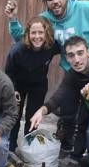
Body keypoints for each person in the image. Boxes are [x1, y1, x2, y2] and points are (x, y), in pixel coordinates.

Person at [28, 35, 89, 158]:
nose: (77, 60)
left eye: (80, 53)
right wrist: (41, 111)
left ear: (88, 52)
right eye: (71, 55)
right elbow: (59, 96)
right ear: (67, 59)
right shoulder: (72, 76)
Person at [4, 16, 60, 152]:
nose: (37, 36)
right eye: (33, 33)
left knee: (32, 117)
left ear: (46, 33)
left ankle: (28, 146)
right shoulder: (17, 50)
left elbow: (69, 49)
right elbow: (8, 72)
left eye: (40, 32)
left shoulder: (52, 46)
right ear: (28, 34)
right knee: (15, 116)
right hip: (18, 85)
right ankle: (11, 148)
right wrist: (14, 89)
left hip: (38, 84)